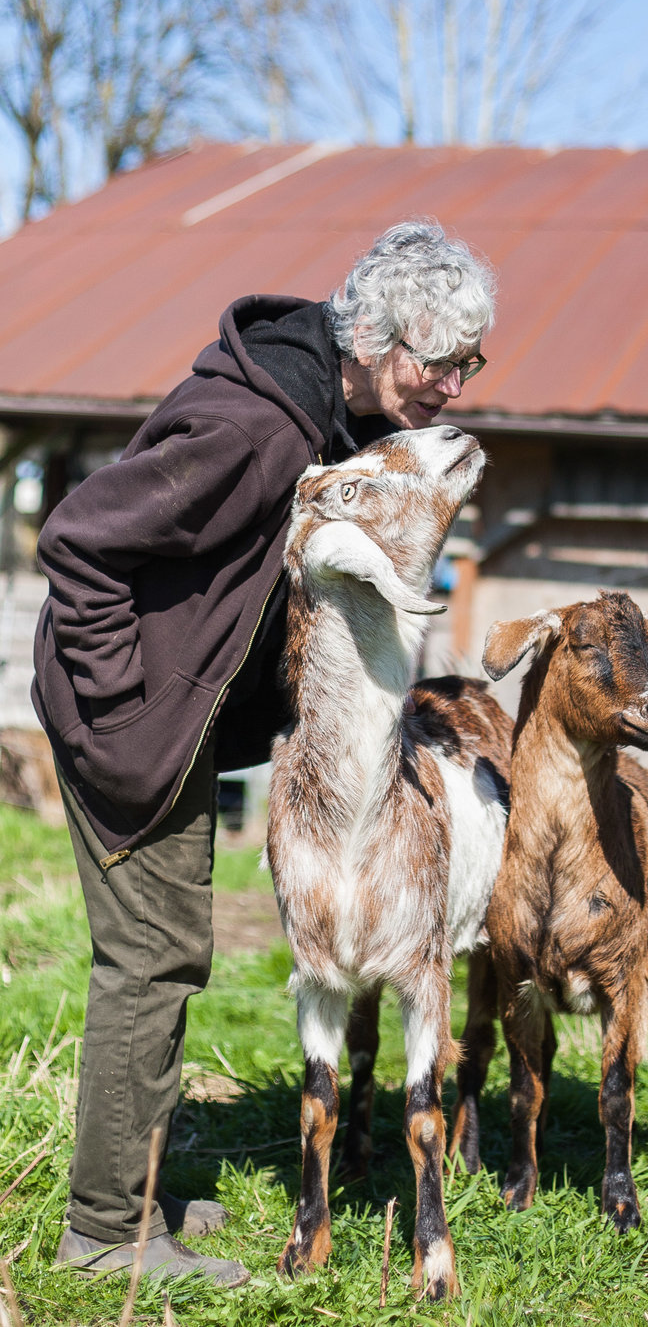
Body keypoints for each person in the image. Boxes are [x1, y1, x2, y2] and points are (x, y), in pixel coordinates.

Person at [32, 220, 496, 1287]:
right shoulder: (254, 428)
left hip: (166, 725)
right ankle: (108, 1234)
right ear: (376, 338)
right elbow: (82, 541)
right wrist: (119, 706)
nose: (454, 387)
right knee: (150, 957)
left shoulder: (327, 415)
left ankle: (134, 1187)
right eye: (439, 361)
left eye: (470, 364)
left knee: (173, 951)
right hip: (127, 728)